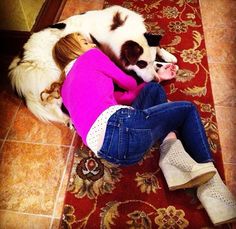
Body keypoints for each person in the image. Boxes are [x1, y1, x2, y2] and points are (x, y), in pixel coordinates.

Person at [43, 33, 236, 226]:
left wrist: (157, 78)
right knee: (187, 109)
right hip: (121, 127)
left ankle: (172, 155)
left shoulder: (66, 89)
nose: (92, 44)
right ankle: (213, 189)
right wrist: (145, 76)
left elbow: (123, 98)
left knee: (153, 91)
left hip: (112, 151)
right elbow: (128, 83)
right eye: (85, 42)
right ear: (73, 50)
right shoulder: (90, 57)